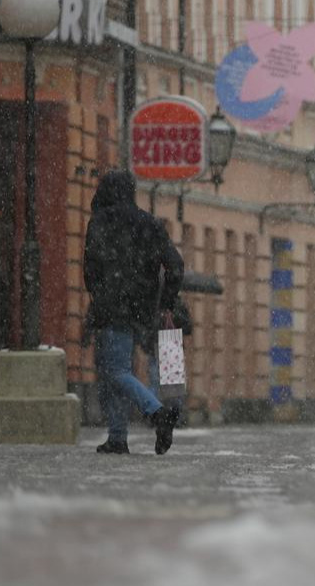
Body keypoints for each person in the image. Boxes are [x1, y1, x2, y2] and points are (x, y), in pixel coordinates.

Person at [83, 170, 184, 455]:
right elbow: (175, 264)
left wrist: (97, 291)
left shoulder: (101, 221)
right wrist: (165, 301)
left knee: (114, 371)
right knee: (117, 370)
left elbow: (90, 266)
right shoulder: (149, 223)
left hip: (110, 306)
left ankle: (157, 412)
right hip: (139, 308)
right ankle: (117, 437)